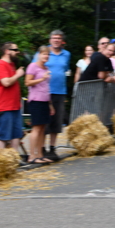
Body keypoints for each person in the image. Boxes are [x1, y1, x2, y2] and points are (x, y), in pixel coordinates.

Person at [40, 30, 71, 160]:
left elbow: (66, 70)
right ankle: (41, 148)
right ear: (50, 40)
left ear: (62, 40)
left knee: (56, 121)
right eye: (54, 38)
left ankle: (52, 148)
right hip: (45, 91)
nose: (56, 40)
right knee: (44, 122)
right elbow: (37, 67)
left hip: (60, 91)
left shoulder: (67, 54)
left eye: (58, 38)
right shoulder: (44, 53)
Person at [0, 42, 25, 153]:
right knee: (4, 136)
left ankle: (14, 160)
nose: (17, 52)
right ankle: (2, 161)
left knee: (16, 135)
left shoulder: (12, 65)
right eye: (15, 50)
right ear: (7, 51)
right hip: (4, 107)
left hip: (15, 106)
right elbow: (5, 82)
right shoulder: (0, 65)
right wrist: (18, 75)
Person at [25, 46, 53, 165]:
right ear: (38, 54)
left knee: (42, 128)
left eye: (47, 54)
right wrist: (41, 78)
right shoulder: (33, 66)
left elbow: (47, 88)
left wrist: (50, 104)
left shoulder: (46, 68)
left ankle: (40, 155)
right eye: (44, 54)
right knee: (36, 128)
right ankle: (32, 156)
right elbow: (27, 82)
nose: (46, 56)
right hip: (35, 101)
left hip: (44, 101)